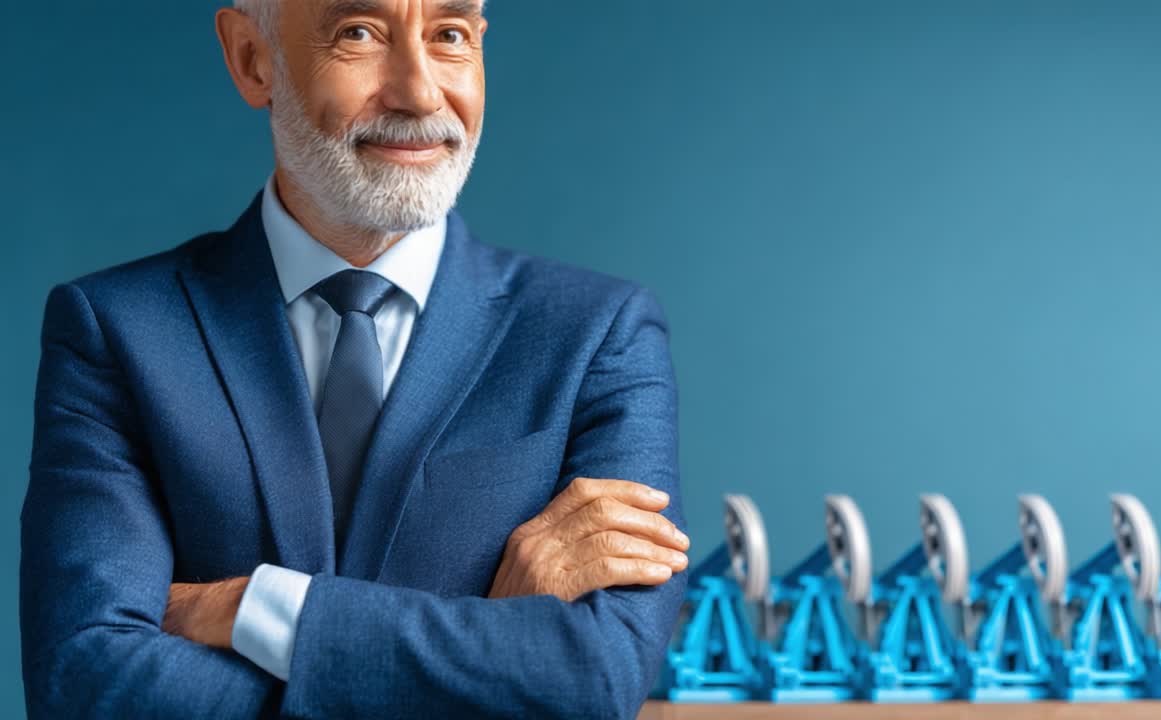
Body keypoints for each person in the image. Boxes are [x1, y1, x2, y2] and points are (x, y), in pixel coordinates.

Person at [20, 1, 689, 717]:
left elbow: (595, 677)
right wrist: (484, 661)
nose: (422, 93)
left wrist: (254, 606)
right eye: (359, 33)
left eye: (450, 36)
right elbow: (85, 682)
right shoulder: (116, 332)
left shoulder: (598, 334)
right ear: (253, 59)